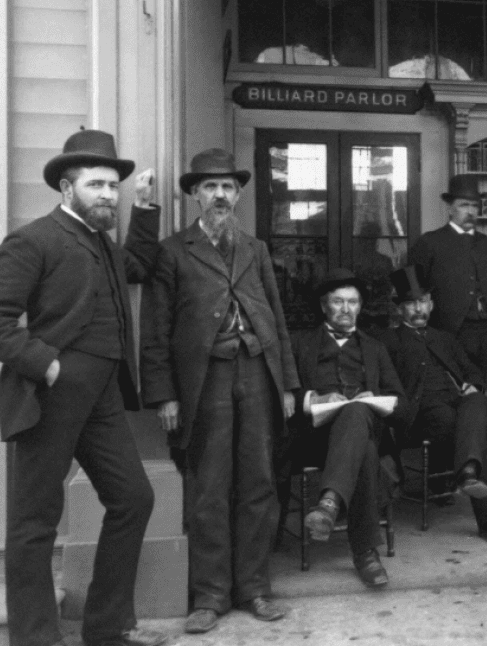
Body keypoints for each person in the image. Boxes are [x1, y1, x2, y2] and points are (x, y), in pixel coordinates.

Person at [0, 129, 163, 646]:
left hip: (102, 397)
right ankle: (36, 639)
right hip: (50, 394)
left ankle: (105, 629)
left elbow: (140, 265)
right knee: (35, 522)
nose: (108, 195)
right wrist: (47, 365)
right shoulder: (35, 240)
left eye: (114, 186)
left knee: (133, 498)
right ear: (66, 188)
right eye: (97, 185)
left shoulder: (104, 245)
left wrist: (145, 209)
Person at [140, 149, 299, 634]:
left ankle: (254, 588)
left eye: (227, 186)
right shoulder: (172, 251)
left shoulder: (255, 249)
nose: (220, 195)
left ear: (239, 193)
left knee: (258, 482)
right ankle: (210, 595)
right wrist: (164, 394)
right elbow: (155, 330)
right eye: (210, 187)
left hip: (257, 373)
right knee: (208, 486)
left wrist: (288, 384)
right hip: (204, 380)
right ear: (195, 194)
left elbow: (276, 317)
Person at [378, 266, 487, 546]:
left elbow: (471, 370)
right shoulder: (388, 341)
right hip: (418, 414)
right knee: (473, 434)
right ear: (400, 309)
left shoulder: (445, 338)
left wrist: (473, 384)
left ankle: (468, 473)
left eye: (423, 302)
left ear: (431, 305)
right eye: (411, 303)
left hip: (456, 406)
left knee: (477, 400)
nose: (419, 309)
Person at [292, 269, 407, 589]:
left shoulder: (375, 348)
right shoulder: (300, 343)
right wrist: (314, 399)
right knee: (365, 449)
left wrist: (377, 400)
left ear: (360, 307)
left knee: (357, 413)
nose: (346, 309)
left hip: (365, 428)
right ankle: (366, 553)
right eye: (338, 301)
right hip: (315, 439)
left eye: (353, 302)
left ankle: (329, 503)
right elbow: (281, 396)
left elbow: (402, 405)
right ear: (323, 306)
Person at [408, 175, 487, 377]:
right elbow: (410, 286)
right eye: (464, 205)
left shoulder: (486, 243)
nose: (470, 211)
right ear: (450, 208)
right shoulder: (429, 242)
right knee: (450, 385)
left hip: (485, 331)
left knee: (479, 385)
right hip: (448, 331)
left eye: (475, 206)